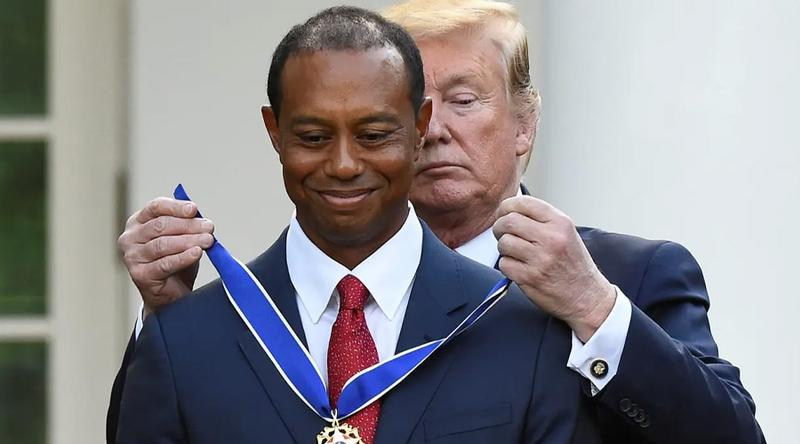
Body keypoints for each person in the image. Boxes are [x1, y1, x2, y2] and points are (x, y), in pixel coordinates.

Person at [112, 1, 765, 443]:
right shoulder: (253, 308)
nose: (439, 130)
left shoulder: (614, 281)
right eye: (415, 103)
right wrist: (167, 319)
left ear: (525, 123)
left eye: (464, 99)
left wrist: (594, 307)